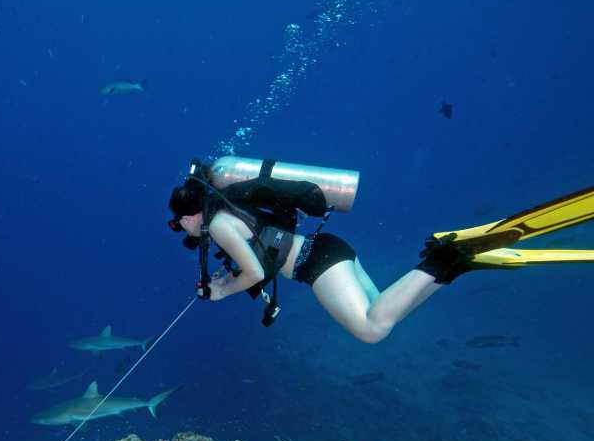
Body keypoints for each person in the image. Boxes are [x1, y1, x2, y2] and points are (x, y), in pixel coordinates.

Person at [168, 160, 594, 344]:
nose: (180, 230)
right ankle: (452, 267)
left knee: (371, 329)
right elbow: (255, 258)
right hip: (327, 250)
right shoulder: (229, 213)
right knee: (382, 311)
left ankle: (443, 258)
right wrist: (224, 281)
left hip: (315, 263)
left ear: (190, 214)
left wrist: (221, 292)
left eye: (177, 223)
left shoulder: (218, 225)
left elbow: (256, 270)